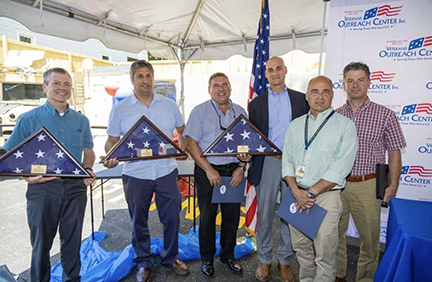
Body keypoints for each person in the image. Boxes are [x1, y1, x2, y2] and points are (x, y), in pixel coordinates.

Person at [3, 67, 96, 282]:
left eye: (66, 84)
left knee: (72, 243)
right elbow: (11, 155)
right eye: (56, 83)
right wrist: (27, 178)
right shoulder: (28, 119)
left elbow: (88, 152)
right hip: (41, 189)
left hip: (75, 189)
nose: (62, 88)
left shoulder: (81, 121)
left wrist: (88, 169)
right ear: (45, 87)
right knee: (41, 245)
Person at [102, 60, 189, 282]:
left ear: (153, 78)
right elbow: (111, 140)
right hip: (135, 174)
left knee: (172, 218)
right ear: (132, 80)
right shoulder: (120, 109)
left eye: (148, 75)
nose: (145, 80)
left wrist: (183, 148)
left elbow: (182, 129)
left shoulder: (169, 105)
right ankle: (143, 261)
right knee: (138, 220)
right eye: (139, 76)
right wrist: (111, 156)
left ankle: (170, 257)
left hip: (166, 171)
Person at [282, 75, 358, 282]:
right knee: (301, 249)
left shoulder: (345, 126)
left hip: (326, 197)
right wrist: (296, 191)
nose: (320, 96)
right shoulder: (296, 125)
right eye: (315, 91)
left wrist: (311, 192)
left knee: (325, 253)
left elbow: (341, 167)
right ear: (307, 96)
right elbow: (287, 161)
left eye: (326, 92)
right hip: (296, 194)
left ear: (333, 96)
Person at [336, 62, 406, 282]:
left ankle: (365, 279)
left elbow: (395, 151)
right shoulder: (334, 116)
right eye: (350, 80)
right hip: (337, 185)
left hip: (368, 185)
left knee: (370, 240)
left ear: (368, 82)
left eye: (360, 80)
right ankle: (338, 275)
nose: (355, 85)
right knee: (334, 235)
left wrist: (393, 184)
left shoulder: (385, 115)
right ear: (344, 84)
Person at [248, 56, 309, 282]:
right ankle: (264, 258)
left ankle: (285, 260)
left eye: (278, 69)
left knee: (290, 214)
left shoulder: (301, 100)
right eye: (270, 70)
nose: (274, 73)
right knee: (264, 214)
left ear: (285, 71)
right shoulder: (256, 104)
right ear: (265, 74)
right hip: (267, 163)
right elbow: (252, 136)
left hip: (294, 164)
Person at [184, 72, 251, 278]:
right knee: (207, 218)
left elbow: (248, 145)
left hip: (234, 172)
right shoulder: (200, 111)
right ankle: (207, 258)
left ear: (230, 87)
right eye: (216, 85)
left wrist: (241, 166)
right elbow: (190, 144)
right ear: (209, 89)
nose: (221, 88)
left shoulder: (240, 112)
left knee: (232, 217)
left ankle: (228, 255)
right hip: (207, 171)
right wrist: (208, 169)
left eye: (224, 84)